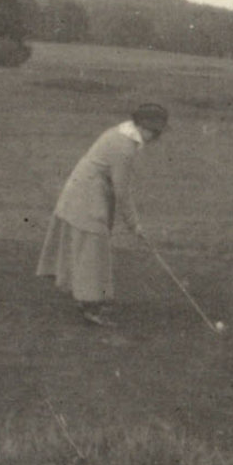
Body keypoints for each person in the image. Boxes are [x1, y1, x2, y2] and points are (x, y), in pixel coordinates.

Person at [36, 102, 169, 325]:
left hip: (84, 192)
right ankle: (90, 307)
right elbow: (122, 191)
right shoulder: (124, 148)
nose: (156, 138)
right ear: (145, 128)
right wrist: (134, 224)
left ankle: (87, 298)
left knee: (91, 247)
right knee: (92, 250)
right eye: (155, 132)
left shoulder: (120, 132)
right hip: (86, 197)